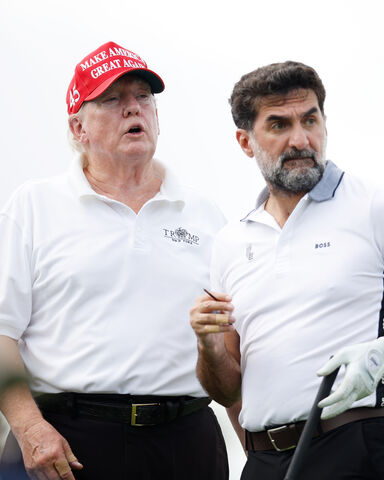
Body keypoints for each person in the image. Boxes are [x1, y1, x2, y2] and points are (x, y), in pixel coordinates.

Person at [190, 61, 384, 480]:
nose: (301, 139)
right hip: (265, 461)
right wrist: (208, 347)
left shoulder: (376, 206)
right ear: (246, 142)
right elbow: (227, 388)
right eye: (279, 125)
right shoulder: (231, 241)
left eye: (310, 119)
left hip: (360, 447)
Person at [0, 41, 228, 480]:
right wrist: (29, 428)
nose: (133, 109)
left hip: (187, 441)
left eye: (144, 97)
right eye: (112, 99)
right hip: (66, 443)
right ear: (78, 128)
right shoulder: (33, 206)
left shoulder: (206, 215)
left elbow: (229, 345)